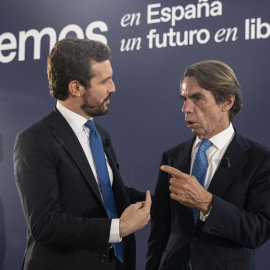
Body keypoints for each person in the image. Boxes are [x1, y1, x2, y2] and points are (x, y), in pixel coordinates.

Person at [14, 37, 151, 270]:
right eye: (105, 81)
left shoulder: (100, 134)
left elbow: (104, 192)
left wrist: (159, 200)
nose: (113, 87)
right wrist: (120, 228)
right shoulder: (35, 140)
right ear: (76, 87)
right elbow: (44, 224)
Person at [145, 60, 270, 270]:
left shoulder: (260, 159)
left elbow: (258, 231)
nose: (185, 108)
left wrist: (207, 204)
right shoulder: (173, 157)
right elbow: (160, 231)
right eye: (184, 99)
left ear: (227, 102)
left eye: (197, 98)